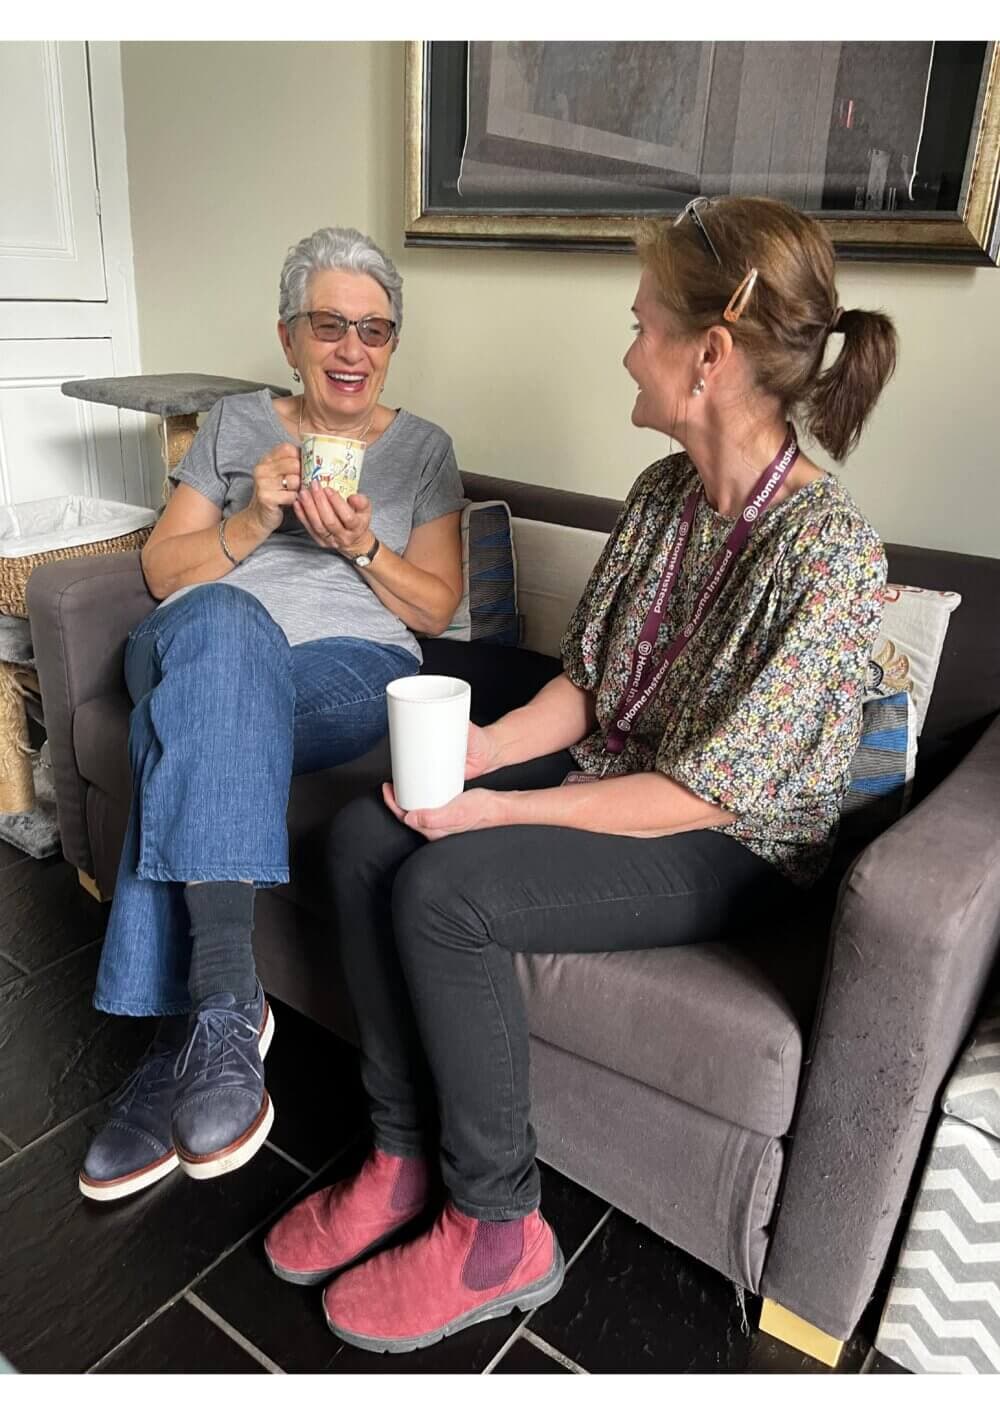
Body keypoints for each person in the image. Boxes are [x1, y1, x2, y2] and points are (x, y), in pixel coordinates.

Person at [263, 196, 898, 1354]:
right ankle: (401, 1152)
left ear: (707, 355)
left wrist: (497, 808)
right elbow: (590, 682)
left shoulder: (830, 552)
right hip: (624, 768)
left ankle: (500, 1222)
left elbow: (709, 791)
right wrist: (487, 749)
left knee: (443, 888)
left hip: (731, 839)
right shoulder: (661, 497)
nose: (624, 345)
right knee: (368, 833)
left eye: (640, 320)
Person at [78, 227, 466, 1202]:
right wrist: (250, 520)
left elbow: (441, 606)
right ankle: (221, 1000)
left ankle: (190, 1038)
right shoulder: (234, 427)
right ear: (288, 334)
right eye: (330, 323)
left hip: (345, 663)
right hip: (206, 632)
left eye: (374, 330)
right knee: (224, 628)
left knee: (193, 718)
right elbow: (163, 569)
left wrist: (365, 548)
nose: (352, 348)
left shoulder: (422, 450)